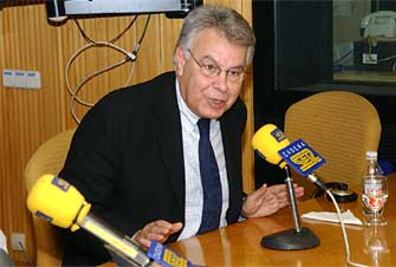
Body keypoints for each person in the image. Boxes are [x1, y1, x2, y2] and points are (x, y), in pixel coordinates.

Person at [59, 5, 304, 266]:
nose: (222, 87)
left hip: (215, 254)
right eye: (210, 67)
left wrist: (242, 209)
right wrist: (131, 236)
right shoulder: (118, 117)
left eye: (234, 73)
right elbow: (69, 210)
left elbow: (200, 194)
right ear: (180, 60)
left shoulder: (234, 114)